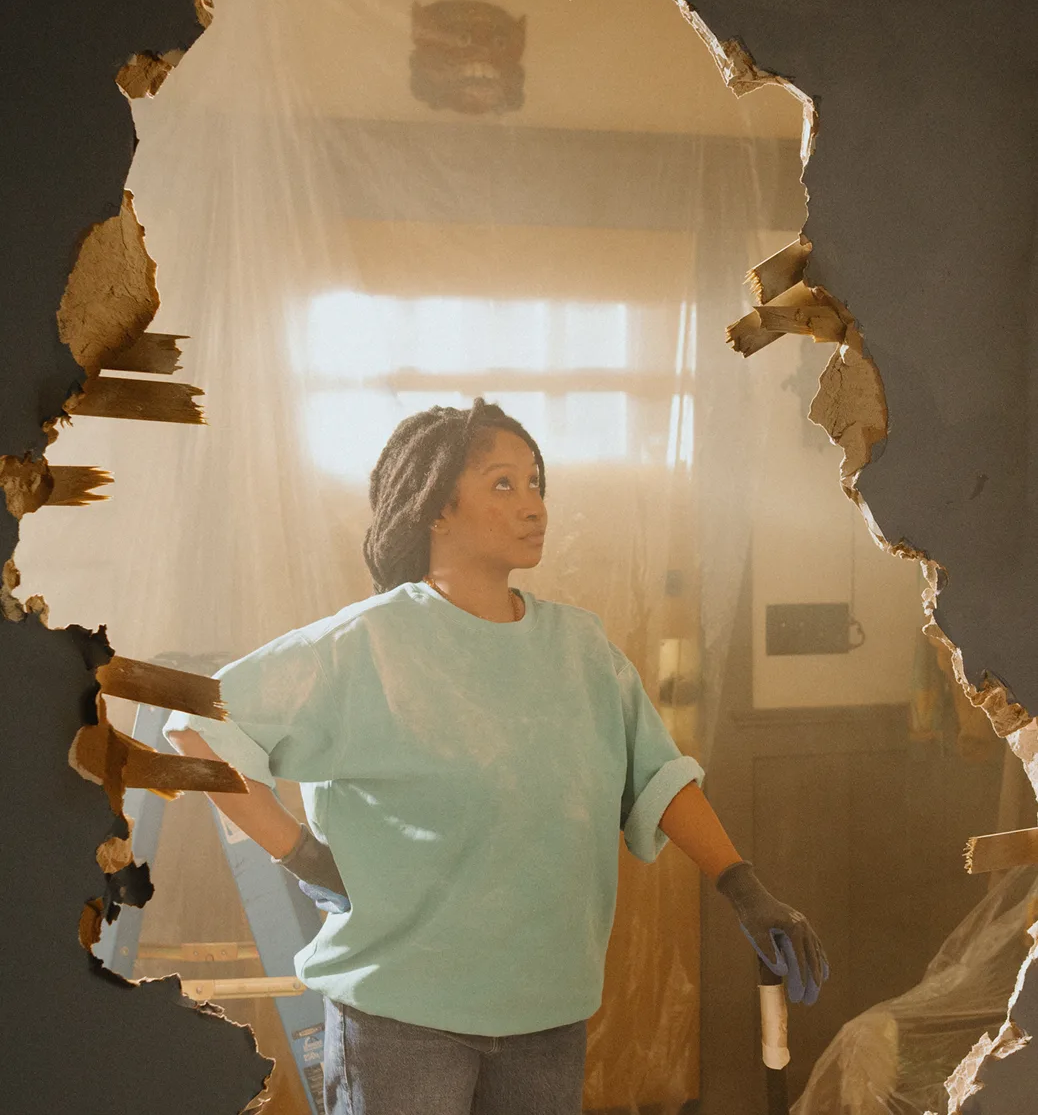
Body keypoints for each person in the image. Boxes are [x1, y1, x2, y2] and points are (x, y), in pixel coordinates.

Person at [166, 398, 827, 1115]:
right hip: (401, 1013)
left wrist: (742, 884)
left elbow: (660, 778)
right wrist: (300, 854)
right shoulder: (365, 646)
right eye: (504, 484)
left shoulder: (581, 651)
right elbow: (200, 724)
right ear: (435, 507)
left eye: (537, 482)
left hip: (545, 1008)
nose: (534, 505)